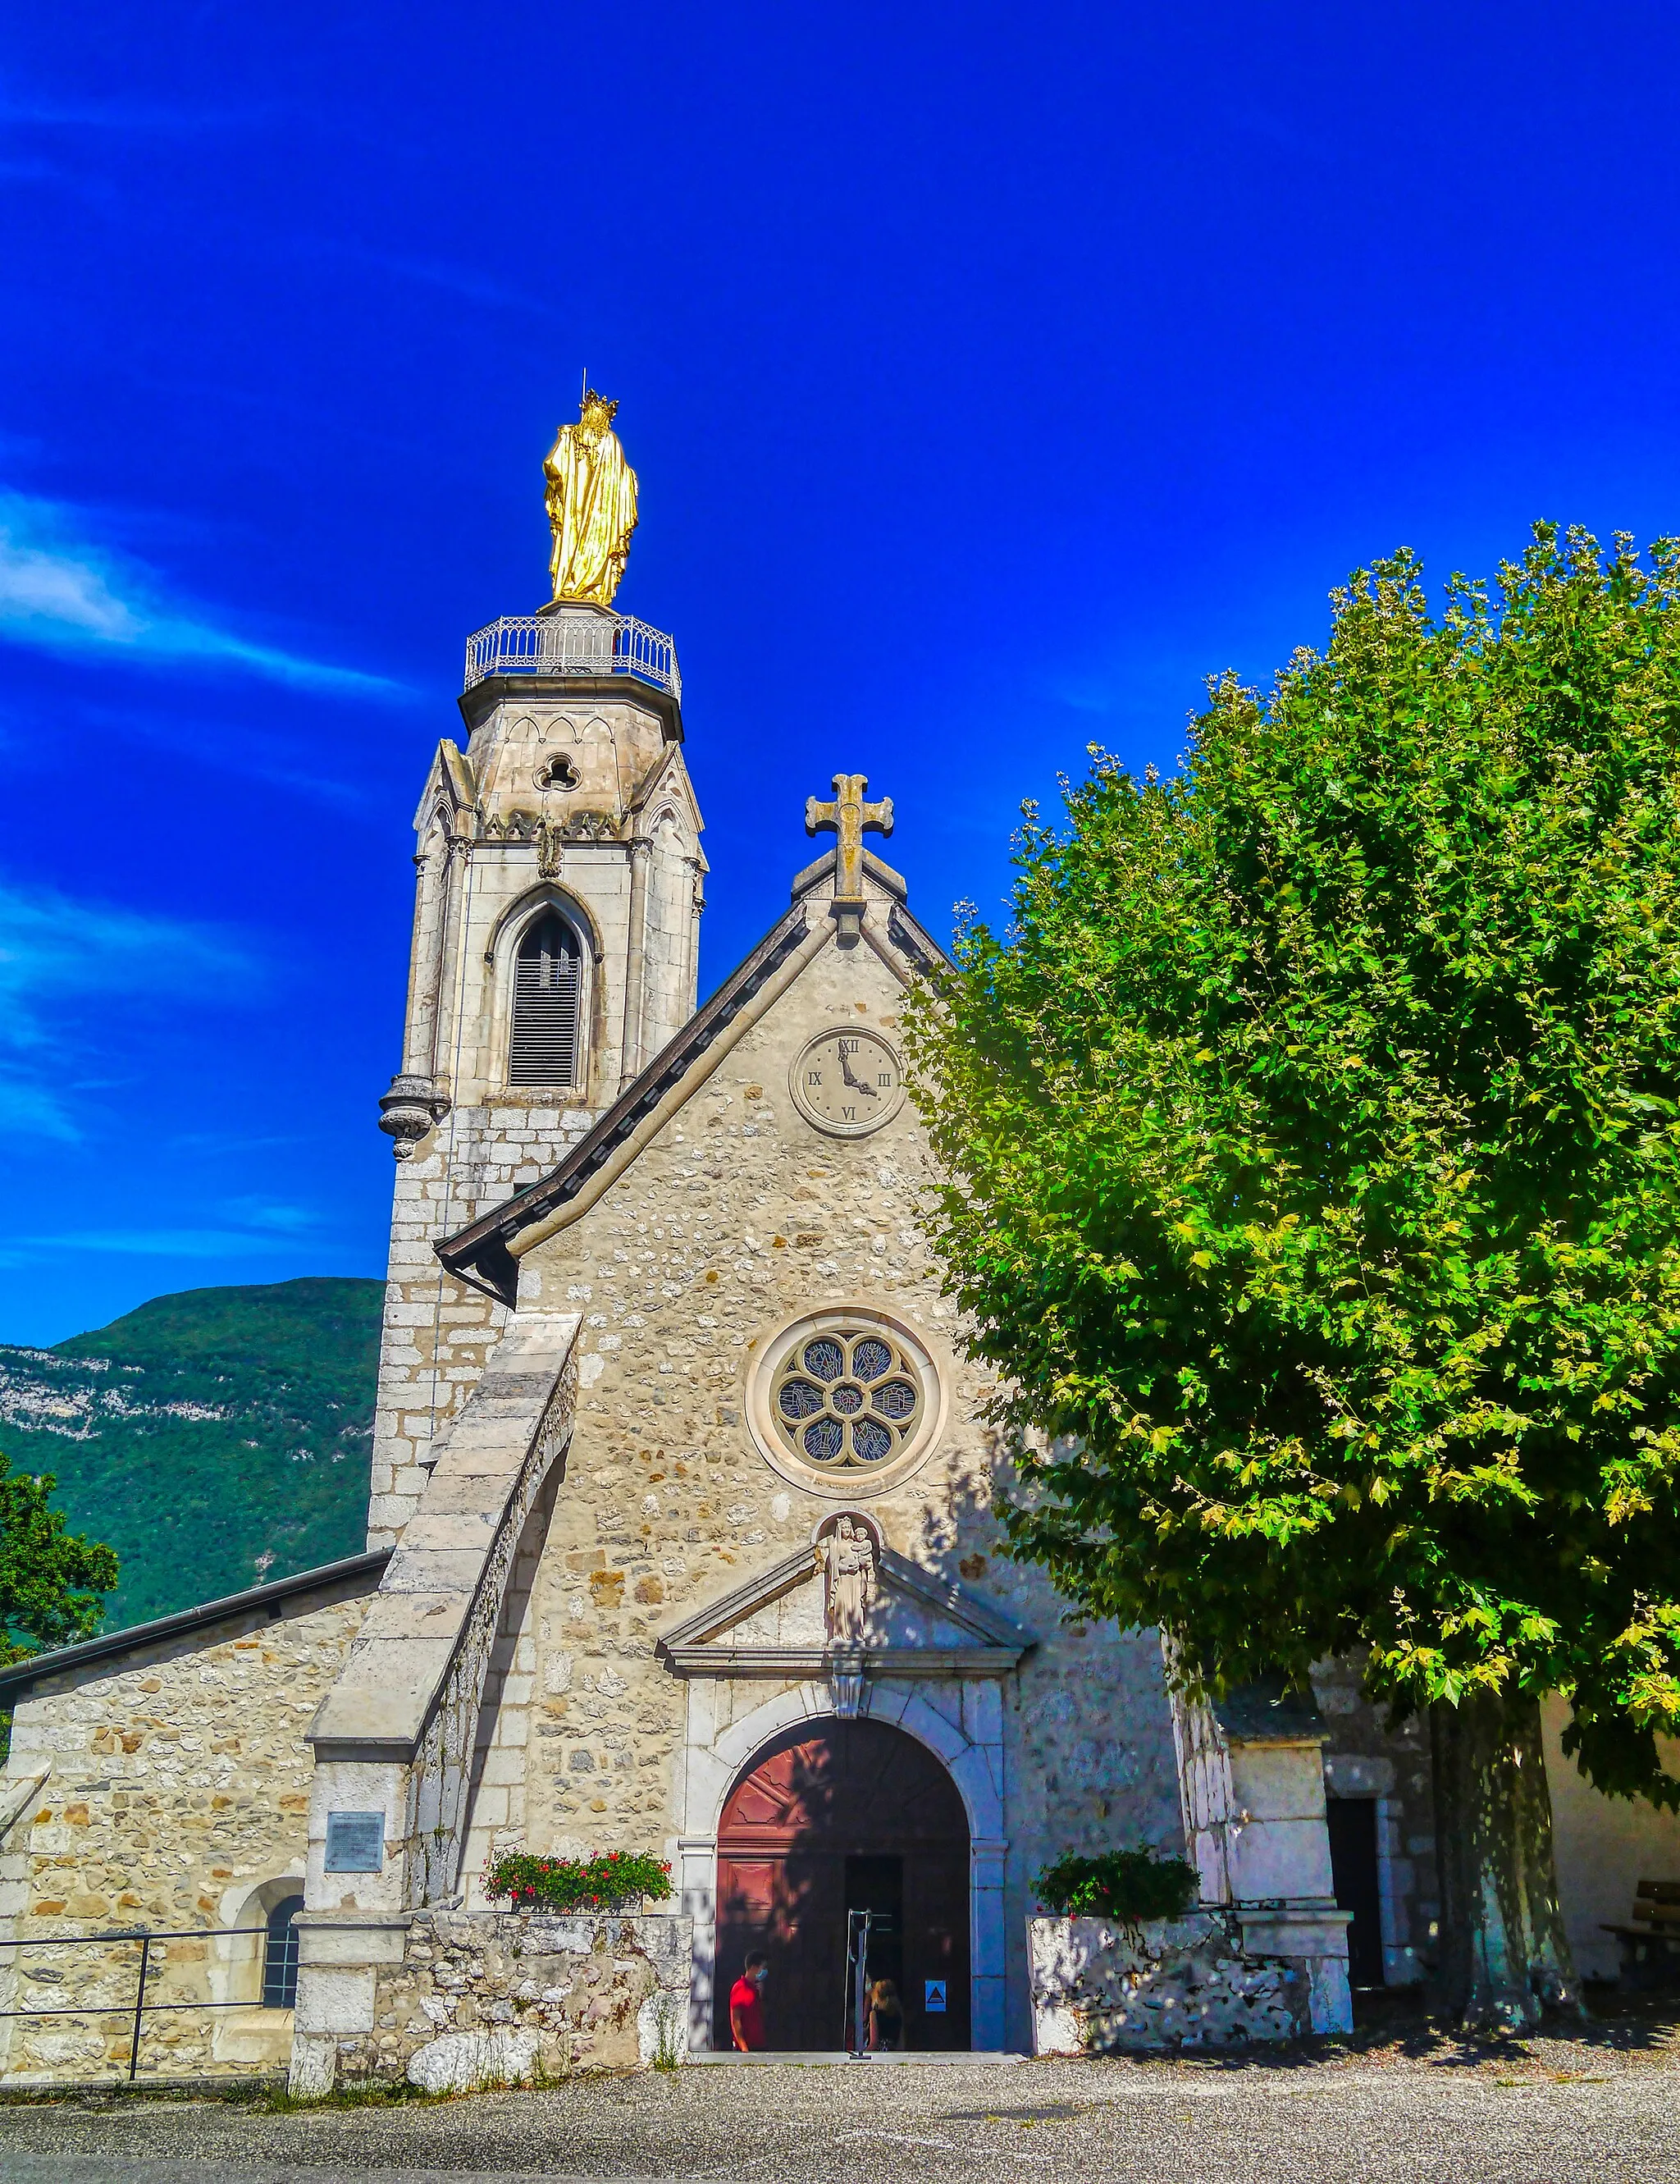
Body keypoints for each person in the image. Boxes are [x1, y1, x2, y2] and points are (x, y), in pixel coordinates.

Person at [728, 1950, 769, 2052]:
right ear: (754, 1968)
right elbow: (736, 2020)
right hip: (746, 2048)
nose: (764, 1971)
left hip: (759, 2045)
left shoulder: (756, 1989)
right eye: (762, 1968)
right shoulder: (740, 1988)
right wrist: (743, 2047)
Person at [866, 1976, 903, 2052]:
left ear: (877, 1995)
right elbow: (901, 2043)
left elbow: (873, 2044)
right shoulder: (898, 2014)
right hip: (894, 2055)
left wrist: (862, 2054)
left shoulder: (874, 2014)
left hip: (879, 2056)